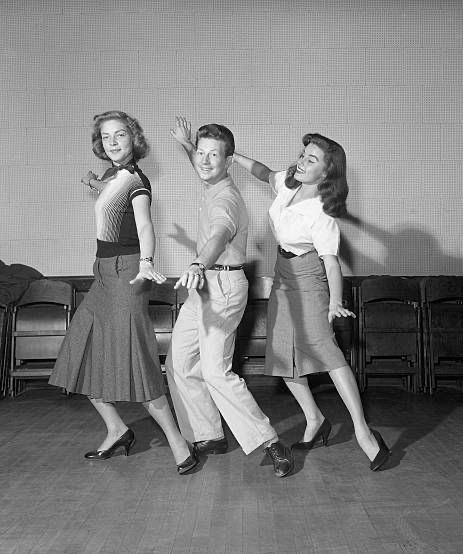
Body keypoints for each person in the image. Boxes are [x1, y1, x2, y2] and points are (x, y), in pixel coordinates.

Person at [49, 111, 197, 475]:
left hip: (128, 272)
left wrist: (147, 261)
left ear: (134, 139)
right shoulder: (112, 177)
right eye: (106, 137)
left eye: (120, 135)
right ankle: (117, 429)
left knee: (135, 359)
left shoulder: (136, 180)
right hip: (103, 272)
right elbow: (109, 197)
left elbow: (144, 225)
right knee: (81, 350)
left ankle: (178, 443)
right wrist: (92, 183)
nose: (113, 142)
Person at [233, 133, 391, 471]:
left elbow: (331, 263)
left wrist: (334, 302)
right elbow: (263, 172)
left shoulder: (322, 211)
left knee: (327, 352)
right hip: (283, 273)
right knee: (281, 353)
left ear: (327, 172)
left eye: (312, 159)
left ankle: (363, 432)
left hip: (309, 276)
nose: (302, 162)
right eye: (303, 154)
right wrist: (234, 156)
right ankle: (315, 419)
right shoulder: (288, 184)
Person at [166, 116, 294, 477]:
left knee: (215, 372)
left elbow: (219, 235)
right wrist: (186, 144)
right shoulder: (213, 179)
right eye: (201, 153)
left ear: (229, 161)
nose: (205, 161)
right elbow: (202, 165)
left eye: (214, 155)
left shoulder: (227, 199)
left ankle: (270, 442)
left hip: (221, 285)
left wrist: (197, 262)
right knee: (179, 363)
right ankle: (208, 434)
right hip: (204, 285)